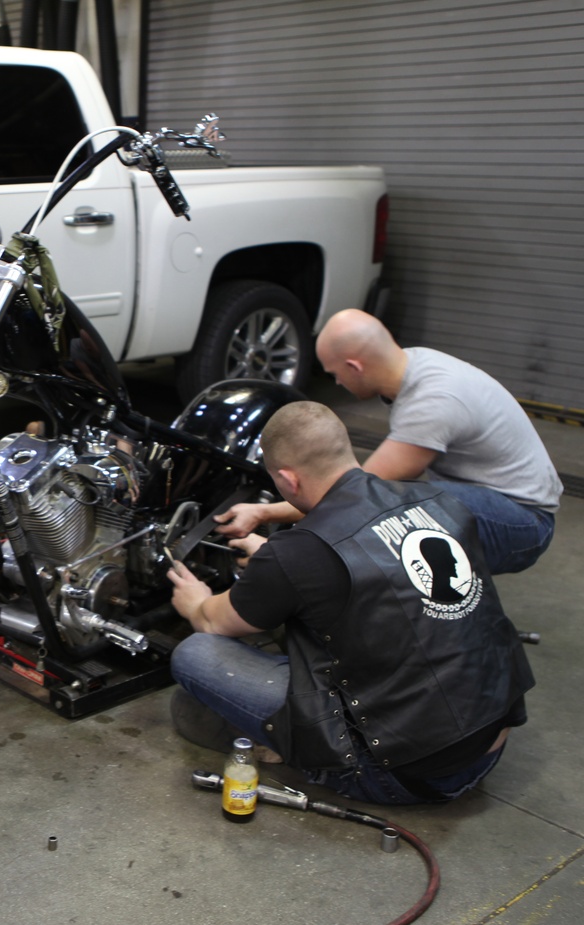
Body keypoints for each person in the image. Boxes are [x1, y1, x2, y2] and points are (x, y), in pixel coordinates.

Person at [167, 401, 534, 805]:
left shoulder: (296, 555)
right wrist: (275, 562)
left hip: (403, 774)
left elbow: (213, 623)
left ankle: (303, 756)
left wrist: (195, 601)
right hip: (492, 741)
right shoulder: (434, 500)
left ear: (287, 478)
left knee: (196, 659)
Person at [216, 309, 562, 574]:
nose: (337, 383)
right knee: (397, 503)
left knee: (390, 513)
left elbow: (355, 496)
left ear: (355, 366)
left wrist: (266, 521)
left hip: (524, 524)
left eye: (336, 374)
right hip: (498, 502)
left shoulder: (432, 402)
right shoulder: (415, 363)